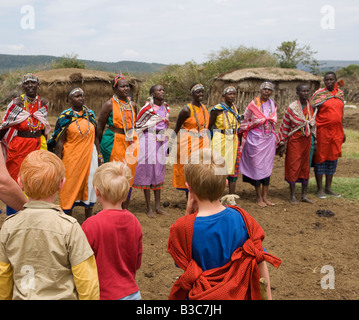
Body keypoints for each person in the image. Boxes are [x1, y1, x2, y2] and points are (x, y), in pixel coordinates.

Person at [167, 148, 281, 300]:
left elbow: (181, 261)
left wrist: (188, 215)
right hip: (238, 294)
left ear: (189, 188)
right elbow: (259, 259)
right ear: (226, 183)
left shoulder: (182, 227)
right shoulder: (242, 219)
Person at [0, 150, 99, 300]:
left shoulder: (9, 227)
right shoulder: (70, 227)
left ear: (20, 183)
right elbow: (87, 281)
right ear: (62, 183)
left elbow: (3, 276)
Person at [82, 161, 143, 300]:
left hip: (102, 293)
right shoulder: (134, 222)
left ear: (96, 191)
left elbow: (80, 262)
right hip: (132, 293)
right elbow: (137, 262)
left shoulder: (91, 225)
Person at [47, 87, 102, 219]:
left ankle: (89, 218)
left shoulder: (90, 114)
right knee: (69, 186)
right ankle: (67, 217)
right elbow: (60, 141)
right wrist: (58, 162)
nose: (81, 98)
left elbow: (95, 137)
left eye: (82, 95)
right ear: (69, 99)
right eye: (77, 96)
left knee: (90, 184)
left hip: (90, 157)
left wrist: (99, 154)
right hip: (71, 158)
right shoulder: (65, 117)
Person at [0, 73, 51, 215]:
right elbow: (6, 124)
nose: (30, 85)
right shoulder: (16, 103)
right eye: (27, 83)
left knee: (36, 179)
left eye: (33, 83)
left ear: (38, 85)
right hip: (19, 147)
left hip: (38, 146)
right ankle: (14, 213)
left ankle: (34, 211)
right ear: (22, 86)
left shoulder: (44, 103)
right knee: (16, 180)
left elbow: (43, 125)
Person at [97, 73, 139, 209]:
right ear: (115, 89)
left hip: (130, 143)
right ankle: (110, 207)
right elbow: (100, 126)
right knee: (113, 175)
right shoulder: (109, 104)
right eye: (122, 87)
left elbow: (135, 124)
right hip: (112, 143)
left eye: (127, 86)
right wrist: (98, 150)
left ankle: (124, 208)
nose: (126, 89)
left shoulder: (133, 105)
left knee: (128, 175)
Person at [238, 81, 277, 207]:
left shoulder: (273, 104)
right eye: (265, 89)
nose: (267, 91)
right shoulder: (254, 103)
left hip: (268, 140)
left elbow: (273, 121)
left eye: (269, 90)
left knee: (267, 167)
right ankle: (258, 197)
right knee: (256, 167)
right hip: (255, 140)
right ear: (260, 90)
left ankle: (265, 197)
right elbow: (246, 119)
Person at [276, 84, 317, 204]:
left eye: (307, 91)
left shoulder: (312, 107)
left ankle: (304, 195)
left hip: (307, 140)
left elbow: (313, 124)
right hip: (295, 140)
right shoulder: (292, 108)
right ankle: (292, 195)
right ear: (297, 92)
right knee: (293, 166)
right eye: (303, 91)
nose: (305, 93)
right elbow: (285, 125)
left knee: (305, 166)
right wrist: (282, 142)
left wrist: (316, 139)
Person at [133, 84, 170, 218]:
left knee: (159, 172)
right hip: (148, 140)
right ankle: (148, 207)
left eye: (163, 89)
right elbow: (138, 125)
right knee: (147, 171)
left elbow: (165, 125)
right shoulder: (146, 109)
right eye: (159, 90)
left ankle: (158, 206)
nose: (162, 91)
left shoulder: (166, 107)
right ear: (152, 94)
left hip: (161, 141)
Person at [170, 83, 210, 196]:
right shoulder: (186, 110)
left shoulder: (204, 108)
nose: (201, 94)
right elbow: (176, 128)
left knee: (202, 168)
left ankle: (199, 196)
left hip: (203, 141)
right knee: (190, 169)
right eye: (198, 92)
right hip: (189, 143)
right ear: (192, 94)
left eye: (202, 91)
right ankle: (190, 198)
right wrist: (170, 145)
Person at [310, 72, 345, 198]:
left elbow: (342, 113)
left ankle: (328, 188)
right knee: (320, 158)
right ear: (324, 81)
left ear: (335, 80)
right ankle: (320, 189)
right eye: (326, 80)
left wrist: (343, 130)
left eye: (331, 80)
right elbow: (310, 110)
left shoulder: (340, 94)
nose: (329, 82)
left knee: (333, 159)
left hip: (337, 132)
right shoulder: (319, 94)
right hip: (322, 132)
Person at [209, 85, 242, 194]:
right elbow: (210, 126)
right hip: (220, 140)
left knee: (232, 168)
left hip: (233, 140)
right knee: (218, 169)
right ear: (224, 96)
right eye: (230, 94)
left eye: (234, 94)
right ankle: (216, 196)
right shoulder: (217, 110)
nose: (232, 96)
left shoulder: (236, 108)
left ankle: (231, 196)